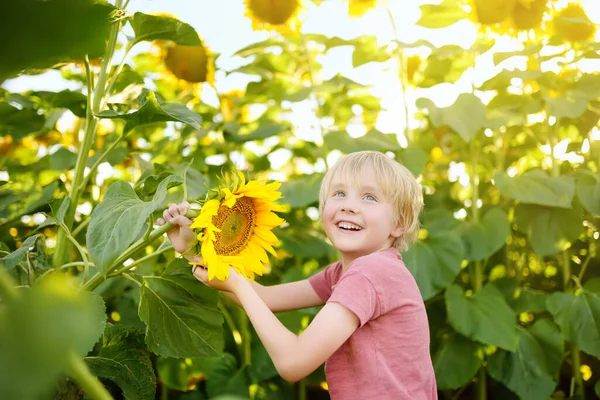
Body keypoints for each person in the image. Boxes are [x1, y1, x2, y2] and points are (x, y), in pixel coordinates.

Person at [157, 151, 437, 400]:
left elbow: (293, 362)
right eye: (339, 194)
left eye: (369, 197)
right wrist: (194, 248)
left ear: (398, 224)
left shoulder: (371, 273)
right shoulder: (348, 272)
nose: (349, 206)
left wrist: (238, 285)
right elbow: (264, 297)